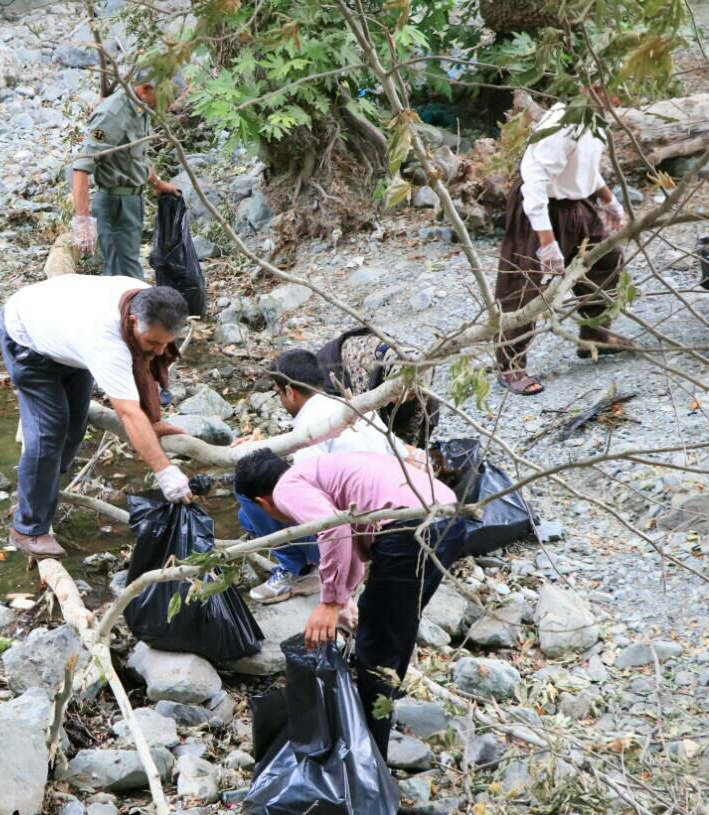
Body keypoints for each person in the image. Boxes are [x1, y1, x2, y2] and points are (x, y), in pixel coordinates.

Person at [234, 449, 465, 761]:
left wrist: (329, 603)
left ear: (263, 503)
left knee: (375, 650)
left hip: (410, 529)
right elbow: (354, 541)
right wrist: (344, 599)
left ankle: (370, 760)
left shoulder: (285, 489)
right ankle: (384, 705)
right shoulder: (316, 468)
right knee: (396, 625)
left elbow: (335, 529)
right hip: (448, 518)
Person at [0, 277, 193, 558]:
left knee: (75, 427)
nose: (161, 351)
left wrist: (153, 422)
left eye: (166, 343)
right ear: (133, 321)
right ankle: (27, 529)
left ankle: (46, 485)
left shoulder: (150, 299)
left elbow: (142, 367)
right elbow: (127, 411)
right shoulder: (105, 340)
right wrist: (166, 473)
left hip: (66, 337)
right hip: (28, 339)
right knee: (49, 432)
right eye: (153, 342)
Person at [240, 349, 411, 604]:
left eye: (278, 394)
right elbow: (403, 454)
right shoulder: (354, 407)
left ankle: (297, 570)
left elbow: (306, 497)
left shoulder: (309, 430)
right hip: (394, 523)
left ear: (289, 391)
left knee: (248, 492)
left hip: (352, 537)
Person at [493, 92, 634, 396]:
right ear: (590, 89)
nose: (619, 98)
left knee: (604, 260)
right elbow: (534, 179)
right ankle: (510, 366)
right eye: (613, 91)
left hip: (574, 201)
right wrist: (545, 240)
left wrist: (608, 200)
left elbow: (584, 168)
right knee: (524, 283)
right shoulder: (560, 124)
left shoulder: (594, 121)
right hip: (538, 203)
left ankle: (594, 334)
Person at [70, 77, 179, 278]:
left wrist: (157, 184)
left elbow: (138, 155)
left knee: (126, 268)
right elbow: (82, 165)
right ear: (146, 88)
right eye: (165, 97)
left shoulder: (142, 108)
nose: (169, 104)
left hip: (132, 202)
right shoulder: (110, 115)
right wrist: (83, 222)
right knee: (124, 275)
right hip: (114, 207)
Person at [316, 328, 440, 447]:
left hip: (381, 379)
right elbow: (371, 422)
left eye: (411, 394)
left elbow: (416, 417)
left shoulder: (422, 372)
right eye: (400, 392)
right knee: (358, 434)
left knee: (430, 405)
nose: (403, 398)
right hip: (335, 374)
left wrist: (412, 451)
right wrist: (395, 451)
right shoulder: (363, 362)